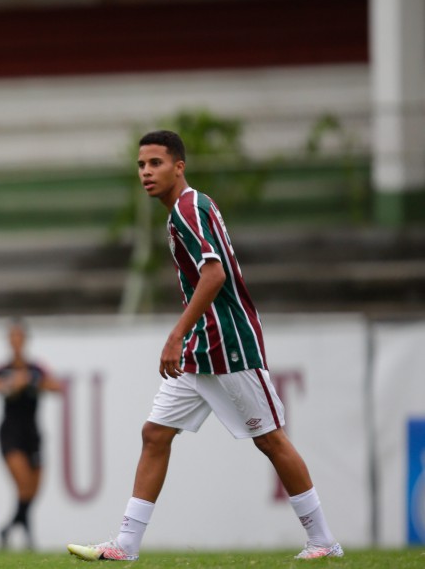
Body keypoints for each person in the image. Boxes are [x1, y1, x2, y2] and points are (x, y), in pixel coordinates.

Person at [67, 130, 343, 562]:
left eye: (155, 163)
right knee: (155, 433)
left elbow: (214, 275)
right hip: (203, 347)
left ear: (179, 166)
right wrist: (188, 335)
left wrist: (176, 333)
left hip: (229, 342)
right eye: (141, 165)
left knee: (270, 440)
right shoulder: (184, 209)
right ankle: (126, 544)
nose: (146, 172)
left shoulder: (188, 207)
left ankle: (323, 540)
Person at [0, 319, 65, 550]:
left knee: (33, 490)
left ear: (25, 340)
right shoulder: (3, 370)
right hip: (10, 433)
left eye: (19, 337)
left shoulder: (35, 370)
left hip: (33, 433)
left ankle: (9, 528)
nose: (16, 342)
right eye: (12, 338)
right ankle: (24, 534)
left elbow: (57, 386)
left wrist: (32, 381)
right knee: (23, 485)